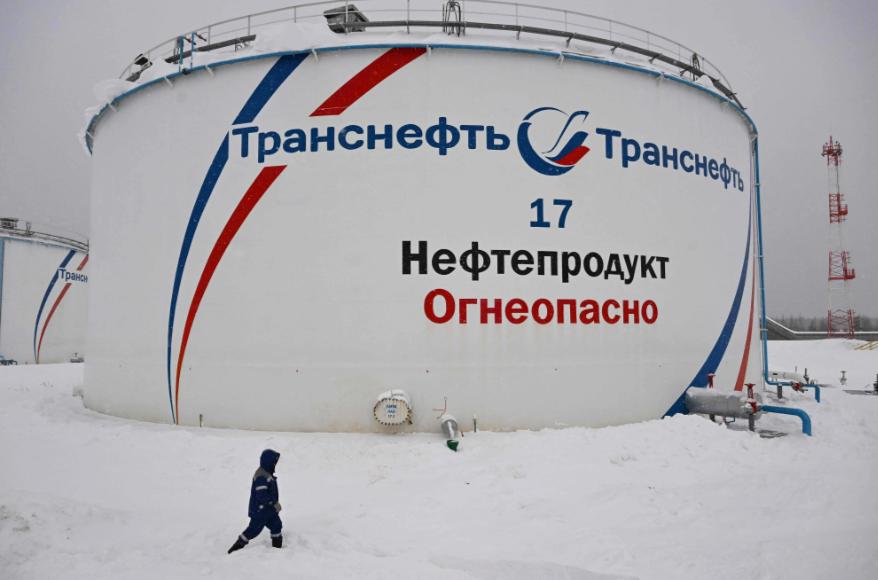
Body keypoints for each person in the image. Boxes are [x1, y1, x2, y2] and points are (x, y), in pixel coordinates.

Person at [227, 449, 283, 553]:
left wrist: (273, 505)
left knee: (276, 525)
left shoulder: (267, 473)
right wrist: (274, 503)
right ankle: (235, 549)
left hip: (269, 510)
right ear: (269, 462)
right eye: (274, 462)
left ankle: (277, 549)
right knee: (254, 530)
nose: (275, 464)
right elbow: (262, 495)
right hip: (260, 511)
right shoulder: (261, 476)